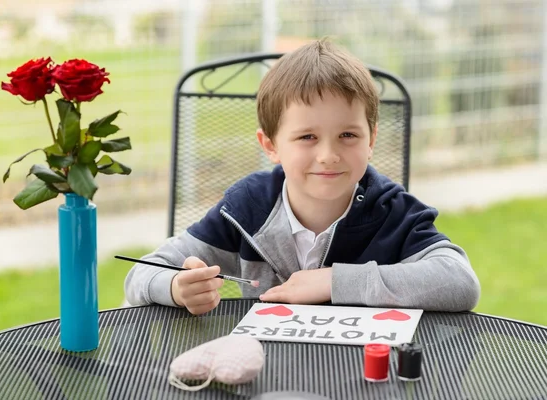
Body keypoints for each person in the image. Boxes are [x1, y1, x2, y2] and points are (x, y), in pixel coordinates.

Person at [124, 39, 481, 315]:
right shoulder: (247, 208)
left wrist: (333, 282)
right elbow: (140, 274)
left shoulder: (394, 211)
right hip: (264, 373)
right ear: (271, 145)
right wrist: (175, 287)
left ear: (371, 139)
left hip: (363, 378)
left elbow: (460, 283)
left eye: (348, 135)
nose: (328, 154)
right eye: (307, 137)